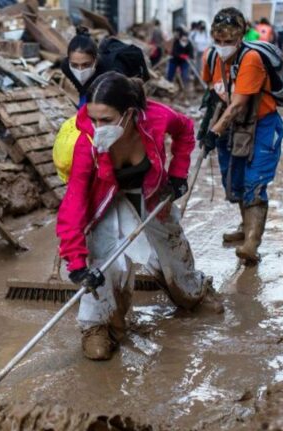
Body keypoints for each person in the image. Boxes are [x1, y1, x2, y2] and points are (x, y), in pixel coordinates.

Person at [57, 72, 214, 361]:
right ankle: (100, 326)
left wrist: (178, 174)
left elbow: (185, 130)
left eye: (106, 120)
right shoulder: (87, 143)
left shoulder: (156, 118)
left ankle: (193, 291)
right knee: (106, 264)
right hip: (107, 201)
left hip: (152, 194)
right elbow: (74, 202)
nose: (97, 127)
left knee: (173, 256)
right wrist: (77, 262)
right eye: (93, 118)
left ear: (129, 114)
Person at [200, 7, 283, 264]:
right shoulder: (212, 57)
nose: (223, 46)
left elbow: (237, 105)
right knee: (236, 181)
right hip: (232, 127)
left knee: (255, 183)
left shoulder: (250, 60)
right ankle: (245, 226)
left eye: (229, 41)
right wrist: (206, 126)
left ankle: (251, 244)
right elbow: (213, 91)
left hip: (262, 125)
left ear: (240, 38)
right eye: (219, 41)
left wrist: (215, 131)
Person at [61, 27, 150, 107]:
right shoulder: (66, 67)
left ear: (96, 60)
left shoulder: (114, 71)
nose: (80, 70)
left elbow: (126, 101)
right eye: (75, 65)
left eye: (86, 65)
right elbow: (81, 87)